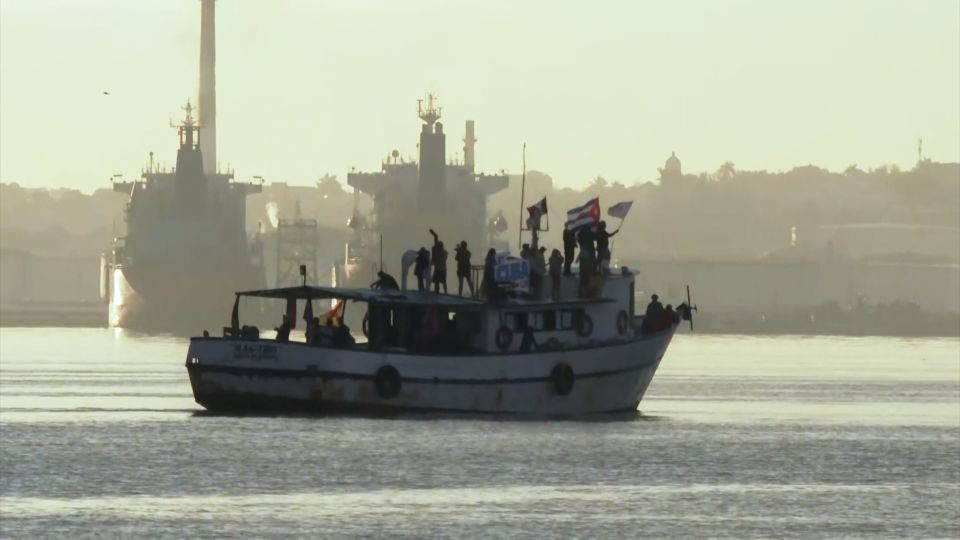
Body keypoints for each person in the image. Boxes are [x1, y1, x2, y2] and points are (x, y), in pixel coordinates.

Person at [429, 229, 448, 294]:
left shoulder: (439, 251)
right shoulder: (444, 252)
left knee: (438, 281)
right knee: (442, 281)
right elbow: (436, 238)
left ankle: (439, 292)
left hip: (439, 268)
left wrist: (434, 234)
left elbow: (436, 238)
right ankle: (443, 292)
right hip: (442, 268)